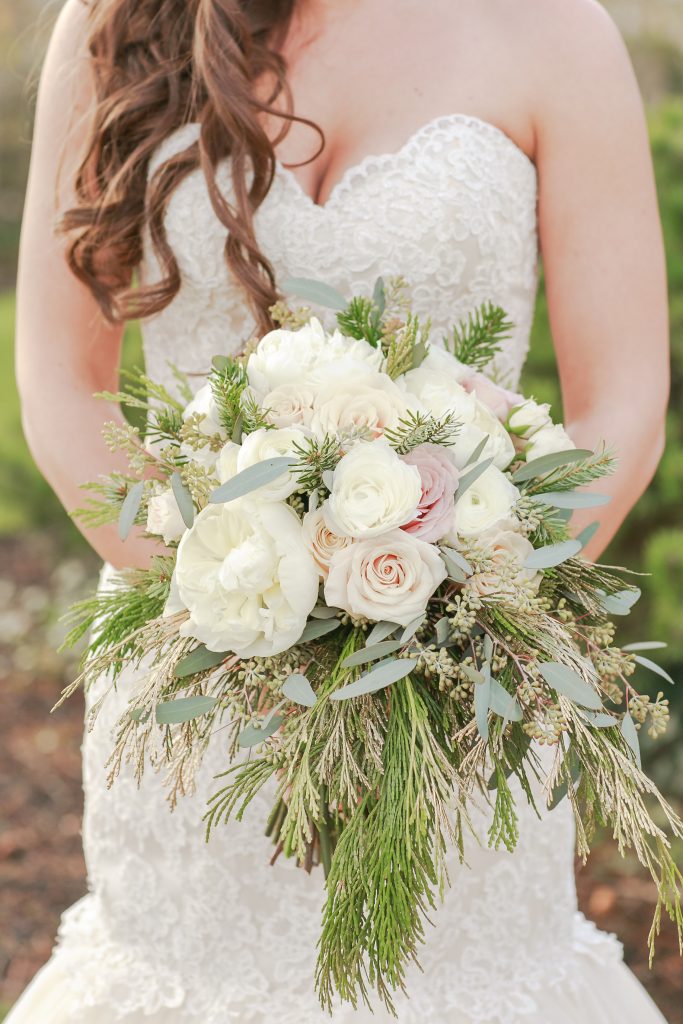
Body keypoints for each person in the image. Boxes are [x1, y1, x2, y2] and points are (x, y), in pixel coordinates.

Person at [11, 0, 671, 1020]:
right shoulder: (116, 21)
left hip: (457, 693)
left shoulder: (554, 30)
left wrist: (472, 611)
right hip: (192, 677)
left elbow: (621, 402)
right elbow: (59, 376)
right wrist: (224, 606)